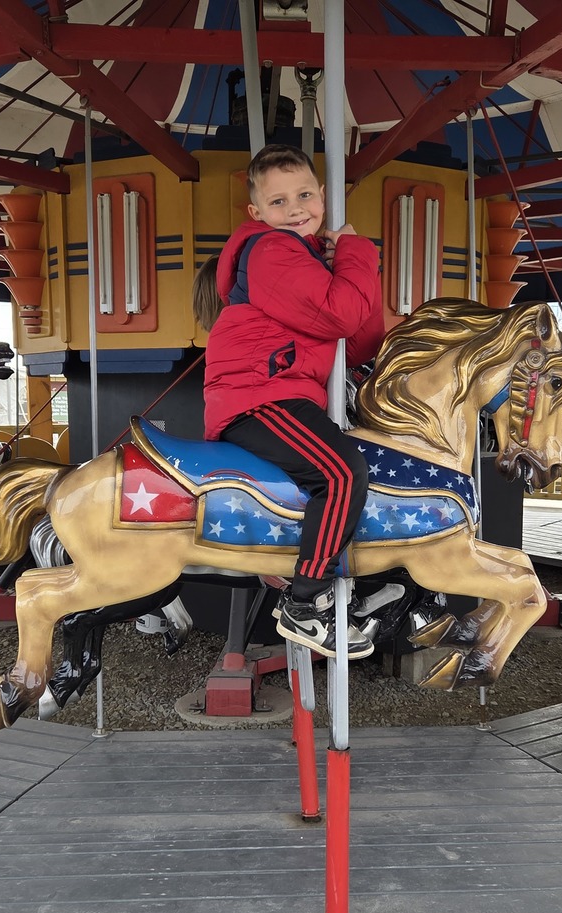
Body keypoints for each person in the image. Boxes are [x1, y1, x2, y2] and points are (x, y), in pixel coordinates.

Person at [198, 143, 386, 659]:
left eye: (305, 194)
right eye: (279, 202)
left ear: (323, 197)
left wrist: (341, 265)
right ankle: (305, 604)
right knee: (341, 474)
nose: (296, 208)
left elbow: (364, 339)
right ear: (257, 214)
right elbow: (342, 317)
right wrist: (353, 253)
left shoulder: (304, 258)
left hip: (281, 389)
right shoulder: (270, 249)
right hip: (259, 393)